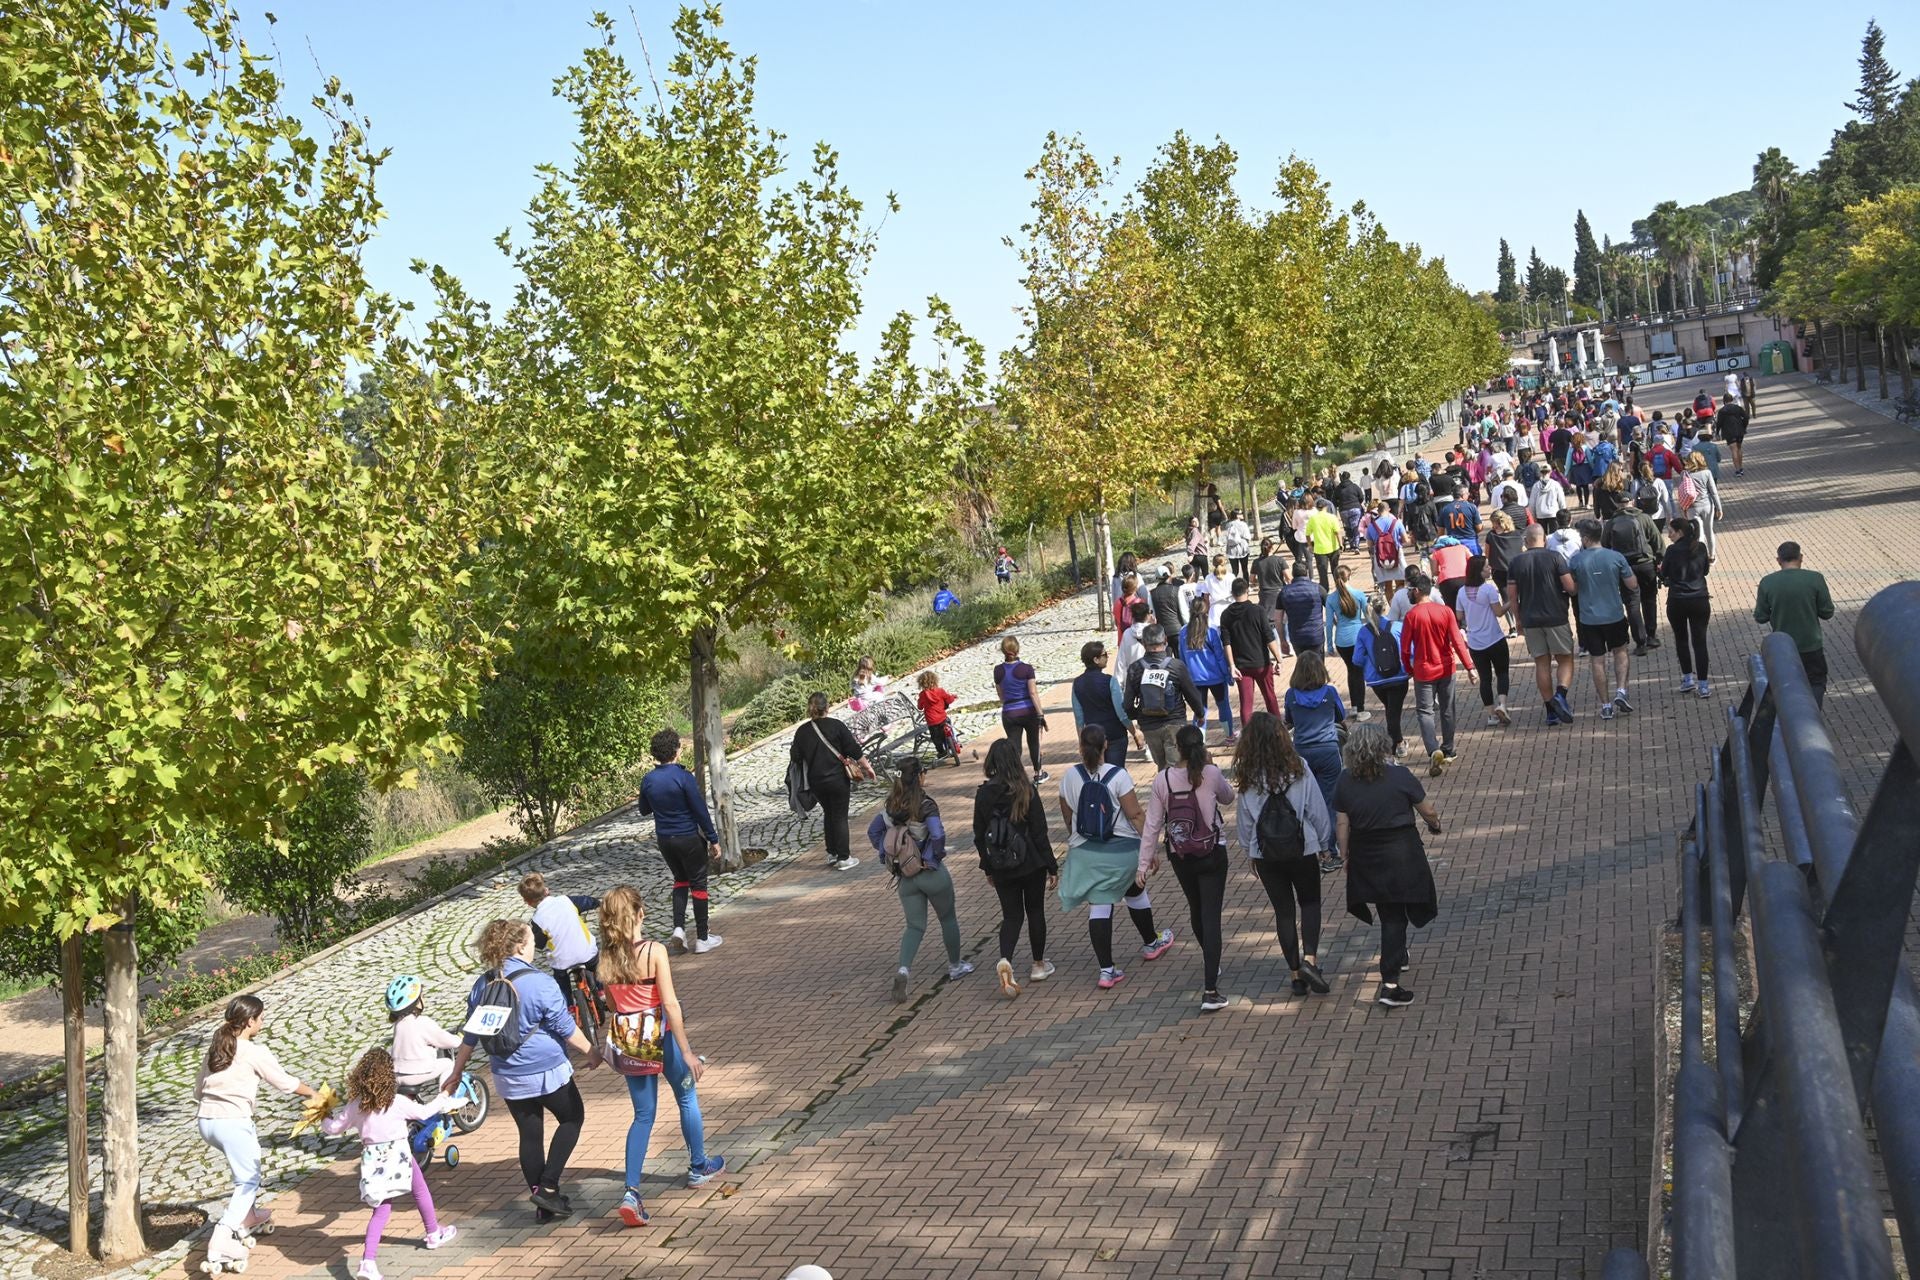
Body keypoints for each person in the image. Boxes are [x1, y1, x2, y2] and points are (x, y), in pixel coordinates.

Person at [446, 919, 596, 1221]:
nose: (533, 946)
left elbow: (471, 1035)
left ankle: (544, 1208)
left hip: (508, 1076)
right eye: (529, 941)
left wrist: (456, 1071)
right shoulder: (540, 982)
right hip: (547, 1070)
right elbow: (565, 1027)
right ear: (518, 946)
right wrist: (593, 1052)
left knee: (529, 1135)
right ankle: (548, 1187)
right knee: (572, 1117)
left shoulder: (482, 984)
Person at [597, 885, 724, 1228]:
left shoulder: (606, 958)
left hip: (630, 1041)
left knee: (642, 1115)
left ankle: (631, 1191)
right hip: (662, 1036)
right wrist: (686, 1051)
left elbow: (611, 1006)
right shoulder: (653, 950)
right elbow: (670, 1003)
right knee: (686, 1097)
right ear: (639, 914)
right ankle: (699, 1166)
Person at [195, 996, 319, 1270]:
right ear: (250, 1021)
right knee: (248, 1180)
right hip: (233, 1121)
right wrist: (312, 1092)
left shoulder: (216, 1048)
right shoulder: (254, 1051)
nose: (262, 1022)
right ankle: (222, 1237)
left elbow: (198, 1088)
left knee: (244, 1168)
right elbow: (284, 1082)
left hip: (206, 1121)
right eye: (261, 1018)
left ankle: (249, 1215)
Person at [321, 1048, 461, 1277]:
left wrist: (324, 1113)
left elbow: (333, 1128)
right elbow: (425, 1112)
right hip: (400, 1156)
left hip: (374, 1161)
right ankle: (431, 1234)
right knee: (420, 1191)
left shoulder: (356, 1105)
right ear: (389, 1076)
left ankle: (371, 1259)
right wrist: (444, 1095)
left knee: (382, 1209)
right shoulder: (396, 1102)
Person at [1333, 723, 1443, 1008]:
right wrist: (1435, 824)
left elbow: (1342, 822)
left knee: (1388, 909)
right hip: (1401, 850)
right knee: (1396, 914)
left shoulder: (1345, 780)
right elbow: (1427, 809)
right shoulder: (1399, 775)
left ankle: (1399, 954)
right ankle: (1390, 984)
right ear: (1384, 746)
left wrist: (1344, 855)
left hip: (1366, 852)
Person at [1057, 726, 1175, 989]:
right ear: (1105, 745)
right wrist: (1149, 848)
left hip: (1085, 852)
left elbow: (1067, 816)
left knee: (1100, 905)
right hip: (1122, 852)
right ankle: (1151, 942)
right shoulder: (1118, 775)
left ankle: (1107, 970)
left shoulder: (1068, 776)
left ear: (1080, 747)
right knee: (1135, 890)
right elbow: (1135, 815)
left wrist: (1077, 840)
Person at [1231, 712, 1335, 995]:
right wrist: (1326, 845)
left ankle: (1294, 975)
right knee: (1310, 903)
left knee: (1284, 912)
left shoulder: (1247, 775)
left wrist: (1249, 850)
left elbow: (1244, 821)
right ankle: (1310, 960)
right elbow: (1316, 808)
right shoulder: (1298, 767)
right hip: (1302, 847)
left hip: (1266, 853)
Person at [1138, 724, 1236, 1013]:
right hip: (1212, 851)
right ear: (1201, 748)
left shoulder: (1162, 780)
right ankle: (1211, 988)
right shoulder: (1211, 774)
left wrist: (1143, 863)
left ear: (1177, 748)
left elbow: (1153, 825)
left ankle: (1210, 963)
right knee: (1211, 915)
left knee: (1196, 909)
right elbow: (1229, 797)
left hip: (1180, 854)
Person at [867, 760, 972, 1001]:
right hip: (930, 873)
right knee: (948, 918)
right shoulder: (925, 805)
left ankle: (903, 970)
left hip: (906, 877)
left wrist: (887, 856)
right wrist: (934, 858)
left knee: (914, 926)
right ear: (920, 777)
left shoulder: (890, 807)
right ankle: (956, 966)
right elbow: (937, 834)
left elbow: (873, 832)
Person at [972, 738, 1058, 998]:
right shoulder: (1026, 789)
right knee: (1035, 911)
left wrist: (987, 867)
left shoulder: (983, 793)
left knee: (1011, 916)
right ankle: (1039, 965)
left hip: (1001, 864)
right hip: (1030, 861)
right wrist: (1051, 866)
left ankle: (1006, 958)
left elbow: (978, 834)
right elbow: (1040, 831)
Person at [638, 729, 723, 953]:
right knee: (698, 883)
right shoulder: (684, 777)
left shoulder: (648, 780)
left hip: (665, 840)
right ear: (677, 750)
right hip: (688, 838)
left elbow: (644, 810)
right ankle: (703, 938)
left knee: (680, 881)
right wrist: (713, 839)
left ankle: (678, 929)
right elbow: (700, 811)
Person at [1399, 575, 1476, 775]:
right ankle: (1449, 749)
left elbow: (1405, 648)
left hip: (1423, 670)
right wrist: (1469, 666)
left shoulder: (1412, 616)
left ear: (1416, 591)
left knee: (1425, 711)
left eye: (1410, 589)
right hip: (1446, 667)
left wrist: (1408, 668)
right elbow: (1457, 641)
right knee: (1448, 708)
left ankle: (1433, 749)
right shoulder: (1445, 611)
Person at [1506, 523, 1579, 727]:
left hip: (1530, 619)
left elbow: (1512, 596)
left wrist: (1518, 620)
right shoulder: (1555, 557)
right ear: (1544, 539)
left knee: (1541, 663)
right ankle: (1560, 695)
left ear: (1525, 541)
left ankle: (1550, 711)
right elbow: (1570, 588)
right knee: (1565, 659)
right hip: (1556, 616)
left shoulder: (1516, 562)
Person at [1569, 518, 1638, 721]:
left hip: (1589, 619)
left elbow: (1572, 589)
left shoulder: (1576, 561)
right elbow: (1632, 584)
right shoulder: (1615, 557)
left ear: (1586, 539)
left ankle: (1606, 706)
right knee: (1621, 652)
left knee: (1597, 661)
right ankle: (1622, 691)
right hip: (1614, 615)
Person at [790, 692, 867, 871]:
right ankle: (843, 857)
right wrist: (867, 767)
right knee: (839, 815)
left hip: (816, 782)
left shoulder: (802, 731)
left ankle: (832, 852)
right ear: (827, 707)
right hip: (838, 779)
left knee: (829, 813)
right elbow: (853, 749)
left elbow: (795, 756)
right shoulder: (836, 726)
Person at [1755, 542, 1836, 703]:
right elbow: (1827, 612)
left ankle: (1791, 719)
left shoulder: (1767, 582)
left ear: (1779, 560)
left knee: (1786, 684)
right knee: (1816, 682)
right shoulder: (1815, 579)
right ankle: (1813, 716)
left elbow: (1760, 617)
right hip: (1811, 645)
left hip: (1784, 647)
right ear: (1801, 558)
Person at [1124, 623, 1205, 769]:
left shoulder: (1135, 668)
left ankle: (1165, 790)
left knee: (1162, 767)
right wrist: (1200, 714)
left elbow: (1128, 703)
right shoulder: (1176, 666)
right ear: (1165, 640)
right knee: (1177, 766)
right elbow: (1191, 693)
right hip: (1175, 722)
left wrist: (1139, 716)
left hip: (1149, 726)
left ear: (1144, 643)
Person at [1283, 650, 1347, 813]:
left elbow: (1289, 720)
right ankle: (1332, 836)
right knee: (1332, 799)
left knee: (1305, 798)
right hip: (1328, 749)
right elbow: (1340, 716)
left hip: (1302, 751)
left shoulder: (1291, 695)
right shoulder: (1330, 692)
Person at [520, 874, 601, 1000]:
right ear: (546, 890)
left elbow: (540, 943)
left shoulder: (537, 920)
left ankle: (567, 1005)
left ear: (528, 902)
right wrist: (597, 903)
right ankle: (601, 991)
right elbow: (586, 901)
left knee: (561, 981)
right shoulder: (565, 900)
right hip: (587, 953)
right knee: (596, 967)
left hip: (562, 961)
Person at [1604, 493, 1665, 656]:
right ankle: (1651, 635)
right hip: (1646, 565)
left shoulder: (1611, 523)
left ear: (1617, 504)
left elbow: (1604, 546)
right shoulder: (1644, 518)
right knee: (1649, 599)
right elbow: (1657, 542)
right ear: (1631, 502)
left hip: (1624, 568)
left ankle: (1640, 642)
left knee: (1632, 604)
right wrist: (1660, 559)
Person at [1660, 518, 1714, 699]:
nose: (1669, 535)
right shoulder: (1700, 548)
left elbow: (1664, 573)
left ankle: (1687, 678)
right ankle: (1704, 685)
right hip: (1699, 599)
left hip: (1678, 600)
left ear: (1680, 532)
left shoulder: (1672, 550)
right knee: (1700, 642)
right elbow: (1705, 570)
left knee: (1681, 639)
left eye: (1671, 531)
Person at [1456, 555, 1511, 726]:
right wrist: (1511, 602)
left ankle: (1491, 714)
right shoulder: (1488, 590)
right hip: (1495, 638)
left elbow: (1458, 615)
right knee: (1502, 673)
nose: (1490, 569)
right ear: (1479, 572)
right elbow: (1499, 612)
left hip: (1475, 643)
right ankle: (1502, 704)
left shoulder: (1461, 592)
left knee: (1485, 678)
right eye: (1487, 567)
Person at [1221, 576, 1283, 722]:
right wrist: (1279, 659)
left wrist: (1231, 665)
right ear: (1247, 591)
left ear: (1232, 593)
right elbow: (1269, 637)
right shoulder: (1258, 611)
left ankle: (1247, 738)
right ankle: (1278, 730)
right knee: (1270, 698)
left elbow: (1226, 642)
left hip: (1241, 666)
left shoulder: (1226, 615)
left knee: (1246, 704)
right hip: (1261, 663)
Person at [1071, 639, 1144, 765]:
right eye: (1104, 655)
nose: (1107, 657)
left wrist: (1082, 742)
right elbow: (1121, 713)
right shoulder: (1110, 682)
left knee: (1098, 774)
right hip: (1115, 734)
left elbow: (1079, 718)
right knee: (1116, 772)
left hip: (1092, 737)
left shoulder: (1077, 684)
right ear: (1096, 660)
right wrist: (1134, 731)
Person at [387, 976, 463, 1094]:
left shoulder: (398, 1024)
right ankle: (445, 1102)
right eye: (422, 996)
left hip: (397, 1074)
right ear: (416, 1002)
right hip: (416, 1074)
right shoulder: (423, 1022)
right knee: (448, 1064)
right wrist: (459, 1038)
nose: (424, 998)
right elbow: (444, 1040)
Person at [992, 635, 1048, 784]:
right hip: (1028, 710)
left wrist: (1008, 703)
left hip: (1010, 712)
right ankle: (1038, 773)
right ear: (1017, 649)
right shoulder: (1026, 669)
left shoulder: (998, 671)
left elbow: (1001, 694)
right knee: (1033, 742)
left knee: (1015, 746)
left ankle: (1016, 776)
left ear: (1003, 651)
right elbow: (1033, 693)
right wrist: (1040, 713)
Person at [1179, 602, 1234, 744]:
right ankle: (1229, 736)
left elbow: (1182, 658)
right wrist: (1227, 676)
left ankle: (1198, 742)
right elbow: (1220, 657)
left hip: (1195, 679)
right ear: (1206, 611)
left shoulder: (1183, 632)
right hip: (1216, 678)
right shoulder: (1211, 631)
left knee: (1200, 711)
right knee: (1223, 706)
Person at [1325, 565, 1371, 721]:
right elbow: (1368, 616)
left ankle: (1353, 706)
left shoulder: (1331, 598)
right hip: (1358, 638)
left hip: (1341, 641)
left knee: (1351, 672)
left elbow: (1329, 623)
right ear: (1349, 576)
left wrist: (1329, 645)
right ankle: (1361, 709)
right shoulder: (1358, 594)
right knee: (1359, 672)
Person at [1673, 452, 1724, 561]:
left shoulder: (1685, 474)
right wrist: (1718, 508)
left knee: (1697, 533)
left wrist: (1683, 508)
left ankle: (1700, 557)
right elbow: (1714, 492)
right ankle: (1711, 555)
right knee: (1709, 530)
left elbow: (1684, 491)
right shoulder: (1707, 473)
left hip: (1692, 507)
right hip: (1707, 505)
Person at [1279, 560, 1326, 657]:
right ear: (1307, 572)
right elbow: (1330, 609)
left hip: (1297, 637)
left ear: (1293, 574)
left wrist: (1282, 640)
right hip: (1315, 635)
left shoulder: (1284, 592)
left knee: (1302, 666)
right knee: (1319, 667)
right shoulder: (1318, 589)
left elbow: (1277, 618)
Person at [916, 669, 963, 765]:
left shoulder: (922, 695)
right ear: (935, 680)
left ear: (921, 683)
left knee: (935, 738)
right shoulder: (940, 691)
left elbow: (920, 707)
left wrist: (920, 702)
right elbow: (949, 700)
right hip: (942, 718)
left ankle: (941, 752)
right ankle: (953, 743)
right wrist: (953, 697)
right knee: (949, 727)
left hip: (932, 722)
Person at [1364, 501, 1409, 592]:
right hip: (1397, 554)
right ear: (1389, 510)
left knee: (1387, 586)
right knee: (1400, 584)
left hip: (1381, 557)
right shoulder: (1396, 522)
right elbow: (1406, 540)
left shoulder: (1372, 526)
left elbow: (1370, 544)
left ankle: (1392, 605)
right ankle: (1398, 603)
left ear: (1378, 511)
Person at [1305, 500, 1343, 590]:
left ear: (1317, 508)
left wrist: (1310, 545)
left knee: (1322, 573)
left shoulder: (1313, 519)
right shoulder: (1332, 517)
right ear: (1326, 507)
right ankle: (1339, 588)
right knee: (1335, 569)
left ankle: (1325, 592)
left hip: (1320, 549)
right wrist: (1341, 544)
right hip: (1333, 547)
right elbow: (1337, 532)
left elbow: (1307, 534)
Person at [1436, 483, 1483, 555]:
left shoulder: (1445, 509)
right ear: (1463, 495)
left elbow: (1440, 533)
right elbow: (1479, 527)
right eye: (1467, 493)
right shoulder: (1471, 507)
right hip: (1470, 542)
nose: (1469, 495)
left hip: (1453, 544)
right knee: (1476, 564)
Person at [1150, 563, 1188, 637]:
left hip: (1162, 633)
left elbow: (1152, 615)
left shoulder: (1151, 593)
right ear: (1169, 575)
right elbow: (1183, 612)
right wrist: (1188, 626)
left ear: (1157, 579)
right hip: (1178, 629)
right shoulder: (1177, 590)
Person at [1203, 554, 1236, 628]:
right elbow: (1235, 594)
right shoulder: (1231, 577)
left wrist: (1207, 611)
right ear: (1225, 563)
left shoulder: (1208, 578)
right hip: (1230, 607)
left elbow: (1206, 597)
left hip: (1215, 609)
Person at [1223, 509, 1253, 579]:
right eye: (1241, 513)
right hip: (1242, 548)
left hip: (1231, 549)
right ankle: (1246, 586)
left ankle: (1232, 586)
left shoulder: (1228, 525)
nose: (1242, 514)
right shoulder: (1243, 524)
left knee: (1235, 570)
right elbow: (1248, 537)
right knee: (1244, 569)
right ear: (1237, 515)